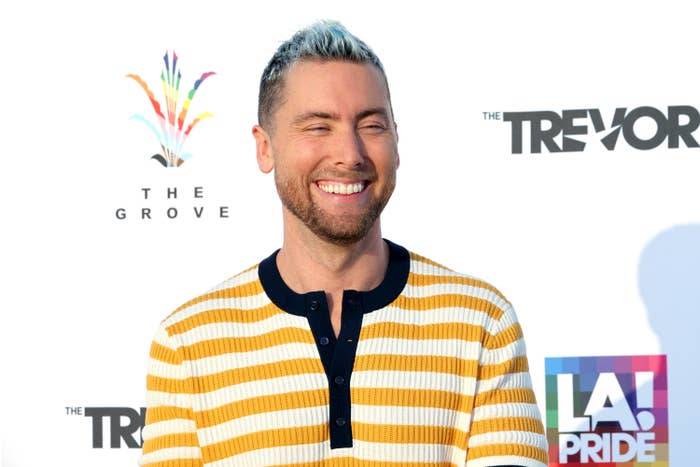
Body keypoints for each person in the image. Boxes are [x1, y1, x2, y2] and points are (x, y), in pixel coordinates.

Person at [140, 20, 548, 467]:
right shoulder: (188, 342)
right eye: (318, 127)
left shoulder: (482, 323)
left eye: (371, 125)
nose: (349, 154)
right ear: (264, 148)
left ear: (396, 141)